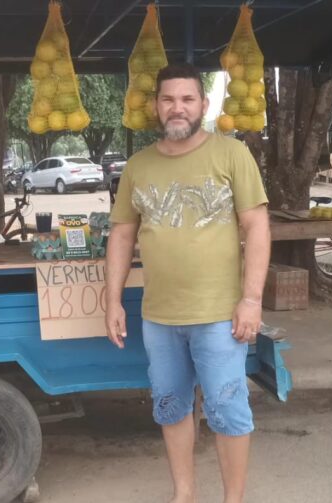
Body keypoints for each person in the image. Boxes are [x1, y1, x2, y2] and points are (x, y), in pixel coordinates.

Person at [105, 63, 271, 503]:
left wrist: (252, 299)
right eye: (168, 99)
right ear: (156, 106)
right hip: (159, 316)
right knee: (170, 405)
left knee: (227, 410)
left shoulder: (232, 154)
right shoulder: (138, 166)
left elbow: (257, 226)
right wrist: (113, 301)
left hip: (219, 314)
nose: (177, 108)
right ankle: (184, 494)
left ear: (203, 104)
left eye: (187, 99)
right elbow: (122, 234)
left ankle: (232, 500)